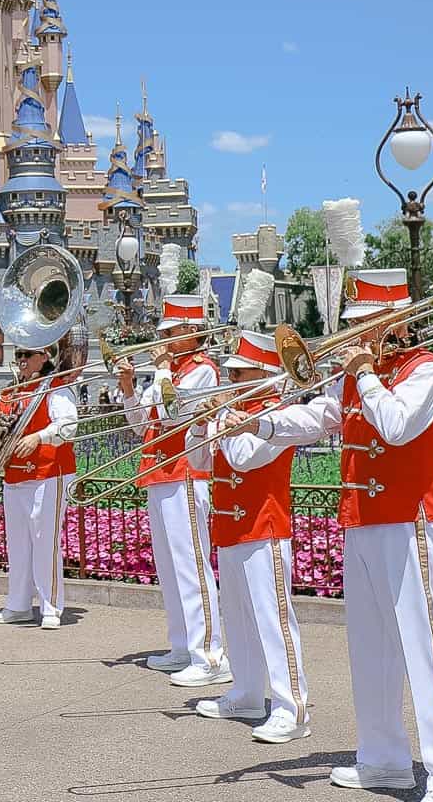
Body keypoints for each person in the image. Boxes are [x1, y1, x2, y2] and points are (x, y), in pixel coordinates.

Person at [259, 267, 433, 801]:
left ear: (395, 322)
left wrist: (363, 372)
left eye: (365, 325)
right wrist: (262, 425)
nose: (355, 335)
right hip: (363, 523)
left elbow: (396, 426)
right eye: (353, 326)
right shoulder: (361, 376)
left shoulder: (429, 371)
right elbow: (324, 417)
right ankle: (383, 761)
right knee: (369, 649)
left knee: (424, 651)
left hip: (410, 524)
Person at [185, 330, 310, 744]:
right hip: (231, 528)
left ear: (265, 374)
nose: (232, 380)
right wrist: (199, 425)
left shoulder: (277, 412)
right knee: (237, 619)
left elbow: (243, 458)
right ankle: (247, 692)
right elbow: (198, 460)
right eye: (233, 372)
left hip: (265, 528)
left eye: (241, 373)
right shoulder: (234, 414)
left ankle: (292, 708)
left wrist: (219, 418)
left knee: (273, 621)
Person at [114, 293, 227, 685]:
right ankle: (183, 646)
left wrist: (161, 372)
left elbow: (173, 414)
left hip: (185, 475)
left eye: (171, 332)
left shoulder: (202, 370)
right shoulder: (170, 371)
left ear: (192, 332)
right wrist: (129, 386)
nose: (163, 340)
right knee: (169, 567)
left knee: (191, 565)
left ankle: (209, 654)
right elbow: (138, 423)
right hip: (159, 474)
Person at [0, 339, 78, 629]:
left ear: (44, 357)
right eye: (19, 354)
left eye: (27, 354)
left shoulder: (54, 388)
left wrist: (39, 437)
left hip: (48, 470)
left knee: (44, 541)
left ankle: (51, 607)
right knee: (17, 543)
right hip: (15, 473)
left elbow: (68, 425)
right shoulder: (10, 391)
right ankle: (18, 605)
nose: (22, 360)